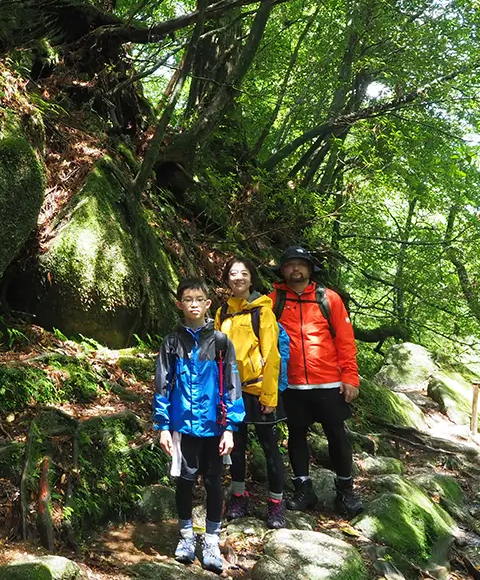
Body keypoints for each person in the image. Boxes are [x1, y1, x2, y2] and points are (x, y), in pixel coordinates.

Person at [154, 277, 245, 574]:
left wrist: (231, 427)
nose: (194, 304)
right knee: (184, 481)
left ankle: (211, 540)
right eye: (188, 299)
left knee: (214, 482)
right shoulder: (171, 343)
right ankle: (185, 537)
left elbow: (233, 386)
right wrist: (163, 426)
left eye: (199, 299)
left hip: (215, 426)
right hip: (184, 426)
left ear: (208, 304)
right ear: (179, 304)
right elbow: (162, 386)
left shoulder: (221, 342)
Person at [270, 245, 364, 517]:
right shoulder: (273, 300)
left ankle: (345, 491)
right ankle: (304, 489)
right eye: (290, 264)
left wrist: (350, 377)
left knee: (336, 434)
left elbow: (345, 340)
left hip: (328, 382)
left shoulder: (329, 299)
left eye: (301, 264)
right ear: (283, 270)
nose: (295, 269)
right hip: (292, 383)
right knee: (297, 435)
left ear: (310, 270)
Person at [215, 257, 287, 529]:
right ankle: (238, 495)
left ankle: (276, 504)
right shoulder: (223, 313)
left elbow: (272, 355)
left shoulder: (263, 312)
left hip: (259, 391)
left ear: (251, 279)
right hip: (232, 392)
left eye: (243, 273)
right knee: (236, 445)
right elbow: (216, 356)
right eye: (233, 273)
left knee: (270, 448)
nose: (238, 277)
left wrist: (270, 396)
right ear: (227, 280)